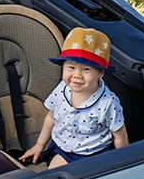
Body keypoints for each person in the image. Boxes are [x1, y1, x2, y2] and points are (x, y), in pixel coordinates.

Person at [19, 27, 129, 168]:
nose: (77, 75)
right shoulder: (61, 89)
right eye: (71, 67)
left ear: (101, 72)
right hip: (63, 150)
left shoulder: (108, 103)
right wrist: (40, 145)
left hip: (93, 154)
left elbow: (119, 135)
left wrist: (124, 161)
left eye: (86, 69)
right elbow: (51, 117)